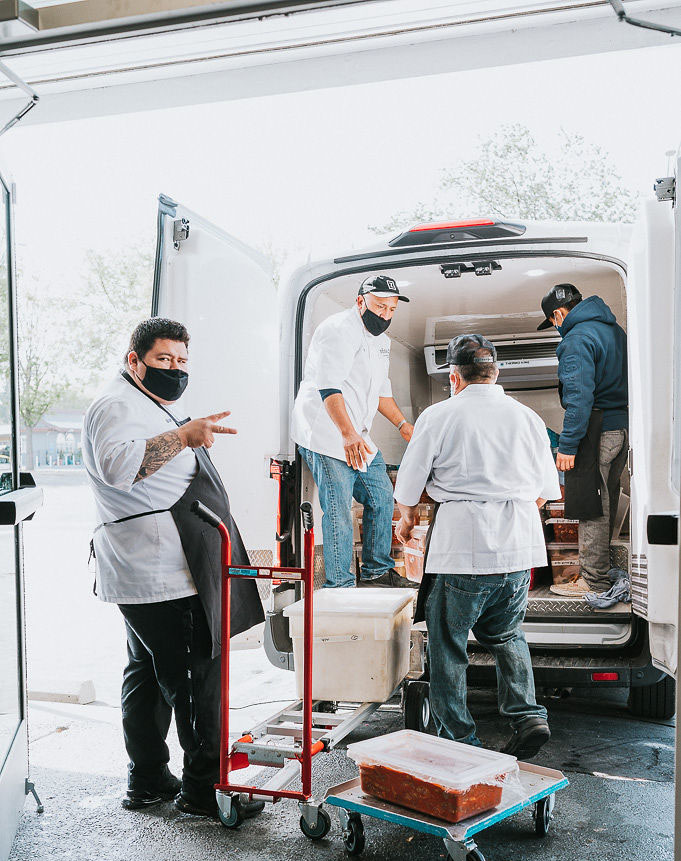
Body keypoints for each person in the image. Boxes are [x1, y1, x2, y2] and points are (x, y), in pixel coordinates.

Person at [83, 317, 265, 819]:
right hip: (160, 568)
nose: (175, 369)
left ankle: (147, 780)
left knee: (146, 674)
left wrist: (186, 434)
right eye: (163, 359)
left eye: (182, 361)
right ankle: (205, 789)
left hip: (151, 567)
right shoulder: (116, 405)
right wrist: (184, 438)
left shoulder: (148, 403)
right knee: (194, 675)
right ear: (133, 360)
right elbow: (120, 468)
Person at [394, 334, 561, 758]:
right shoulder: (527, 418)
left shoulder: (439, 416)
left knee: (448, 643)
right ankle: (528, 716)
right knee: (506, 633)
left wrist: (409, 517)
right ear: (496, 372)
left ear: (454, 376)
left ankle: (462, 742)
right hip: (520, 552)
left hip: (463, 551)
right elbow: (547, 491)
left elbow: (408, 488)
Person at [291, 274, 415, 588]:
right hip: (326, 432)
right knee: (339, 509)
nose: (385, 315)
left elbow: (381, 393)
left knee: (382, 496)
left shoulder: (382, 343)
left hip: (357, 433)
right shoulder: (337, 330)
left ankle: (376, 572)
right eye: (379, 306)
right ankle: (340, 586)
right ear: (360, 301)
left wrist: (403, 425)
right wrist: (347, 434)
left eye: (391, 309)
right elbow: (328, 387)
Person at [536, 283, 628, 598]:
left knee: (591, 508)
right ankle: (599, 575)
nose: (557, 329)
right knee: (606, 504)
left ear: (558, 314)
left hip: (597, 430)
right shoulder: (614, 330)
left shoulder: (576, 340)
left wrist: (568, 446)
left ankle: (592, 581)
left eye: (553, 323)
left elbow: (579, 398)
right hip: (620, 429)